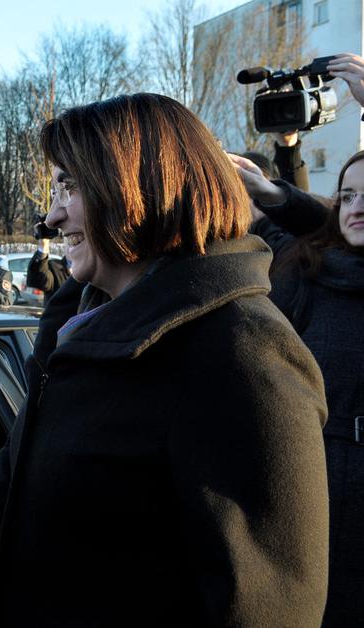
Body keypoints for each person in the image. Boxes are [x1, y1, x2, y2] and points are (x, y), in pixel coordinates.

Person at [0, 93, 330, 625]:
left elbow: (266, 607)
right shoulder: (86, 318)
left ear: (140, 188)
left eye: (70, 186)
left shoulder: (242, 353)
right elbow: (29, 467)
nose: (52, 216)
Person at [230, 54, 364, 620]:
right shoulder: (310, 274)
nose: (356, 206)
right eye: (348, 195)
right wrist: (268, 185)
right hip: (314, 494)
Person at [25, 226, 69, 307]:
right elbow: (37, 279)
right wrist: (43, 247)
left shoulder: (92, 269)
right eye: (68, 236)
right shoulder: (54, 267)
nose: (73, 240)